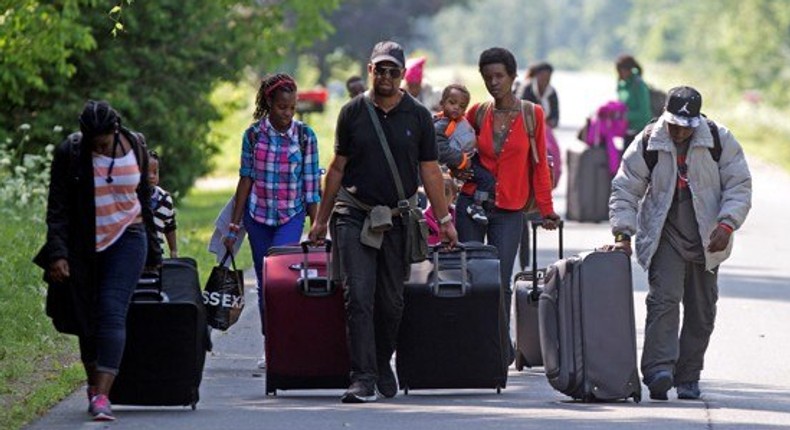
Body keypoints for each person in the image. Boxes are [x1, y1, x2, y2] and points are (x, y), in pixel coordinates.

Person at [308, 40, 458, 404]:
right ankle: (362, 377)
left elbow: (430, 172)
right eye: (380, 69)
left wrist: (444, 218)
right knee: (358, 296)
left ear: (403, 75)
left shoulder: (419, 115)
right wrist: (321, 220)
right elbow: (337, 168)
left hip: (398, 218)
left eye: (393, 70)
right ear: (370, 70)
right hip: (354, 213)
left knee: (391, 302)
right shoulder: (352, 112)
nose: (386, 76)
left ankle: (379, 360)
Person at [606, 86, 752, 401]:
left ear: (697, 121)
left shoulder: (718, 139)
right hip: (665, 233)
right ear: (665, 117)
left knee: (702, 310)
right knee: (663, 302)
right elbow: (625, 188)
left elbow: (739, 184)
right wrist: (623, 234)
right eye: (674, 125)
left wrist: (727, 224)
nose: (680, 132)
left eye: (687, 127)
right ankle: (658, 371)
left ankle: (688, 375)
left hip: (707, 237)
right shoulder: (649, 141)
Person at [33, 100, 162, 421]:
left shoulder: (135, 145)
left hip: (129, 239)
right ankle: (94, 387)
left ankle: (103, 395)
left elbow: (144, 198)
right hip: (83, 246)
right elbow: (57, 207)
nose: (98, 147)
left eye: (103, 141)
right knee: (85, 319)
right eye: (93, 141)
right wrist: (58, 253)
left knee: (111, 310)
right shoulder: (72, 152)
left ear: (115, 130)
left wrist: (155, 249)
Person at [458, 47, 560, 362]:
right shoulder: (475, 113)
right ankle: (469, 344)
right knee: (471, 278)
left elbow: (539, 166)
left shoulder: (532, 114)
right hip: (472, 204)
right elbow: (454, 153)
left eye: (499, 76)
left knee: (499, 282)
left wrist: (546, 210)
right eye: (487, 77)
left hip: (510, 211)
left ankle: (498, 347)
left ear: (514, 77)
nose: (494, 82)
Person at [223, 73, 321, 370]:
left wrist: (317, 226)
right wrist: (233, 225)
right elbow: (246, 179)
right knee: (266, 285)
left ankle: (286, 345)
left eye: (292, 108)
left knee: (282, 283)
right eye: (282, 108)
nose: (287, 114)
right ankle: (271, 346)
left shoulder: (305, 136)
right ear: (269, 104)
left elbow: (311, 184)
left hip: (291, 216)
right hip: (258, 217)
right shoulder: (253, 136)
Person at [516, 61, 561, 270]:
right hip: (528, 135)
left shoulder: (552, 93)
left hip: (545, 134)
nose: (546, 81)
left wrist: (546, 123)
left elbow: (556, 117)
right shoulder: (526, 89)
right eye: (544, 76)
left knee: (551, 163)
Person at [434, 83, 493, 224]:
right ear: (442, 103)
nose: (456, 108)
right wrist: (462, 161)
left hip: (470, 156)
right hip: (464, 162)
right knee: (487, 179)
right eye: (452, 103)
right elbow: (440, 149)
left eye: (461, 106)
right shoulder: (442, 124)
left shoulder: (457, 121)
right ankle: (476, 206)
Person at [616, 54, 652, 149]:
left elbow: (644, 113)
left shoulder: (639, 85)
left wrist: (625, 116)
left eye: (621, 71)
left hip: (640, 132)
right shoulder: (621, 85)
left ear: (629, 70)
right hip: (626, 131)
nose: (619, 74)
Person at [147, 150, 178, 258]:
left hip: (157, 254)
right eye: (147, 172)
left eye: (155, 172)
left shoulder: (165, 199)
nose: (151, 176)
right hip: (135, 255)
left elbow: (170, 227)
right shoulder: (133, 198)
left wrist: (173, 250)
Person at [424, 176, 458, 246]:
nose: (441, 198)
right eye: (436, 194)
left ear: (454, 197)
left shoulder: (459, 215)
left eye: (446, 193)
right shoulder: (424, 218)